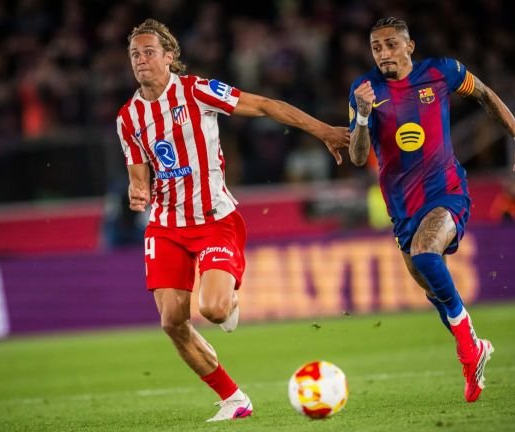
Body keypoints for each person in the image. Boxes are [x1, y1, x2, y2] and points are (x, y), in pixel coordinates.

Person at [116, 19, 349, 422]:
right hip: (165, 226)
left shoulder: (196, 91)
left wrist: (323, 130)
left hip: (213, 219)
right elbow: (139, 175)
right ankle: (234, 399)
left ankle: (230, 298)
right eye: (135, 54)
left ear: (169, 57)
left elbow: (265, 106)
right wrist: (137, 190)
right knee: (172, 322)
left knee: (214, 310)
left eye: (149, 52)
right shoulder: (128, 117)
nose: (141, 60)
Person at [348, 17, 515, 403]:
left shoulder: (441, 72)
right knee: (430, 285)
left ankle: (468, 350)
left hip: (446, 192)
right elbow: (358, 156)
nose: (383, 53)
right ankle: (476, 346)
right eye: (376, 47)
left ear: (409, 46)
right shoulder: (364, 90)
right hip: (402, 208)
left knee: (425, 252)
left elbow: (484, 94)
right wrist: (363, 116)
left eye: (391, 44)